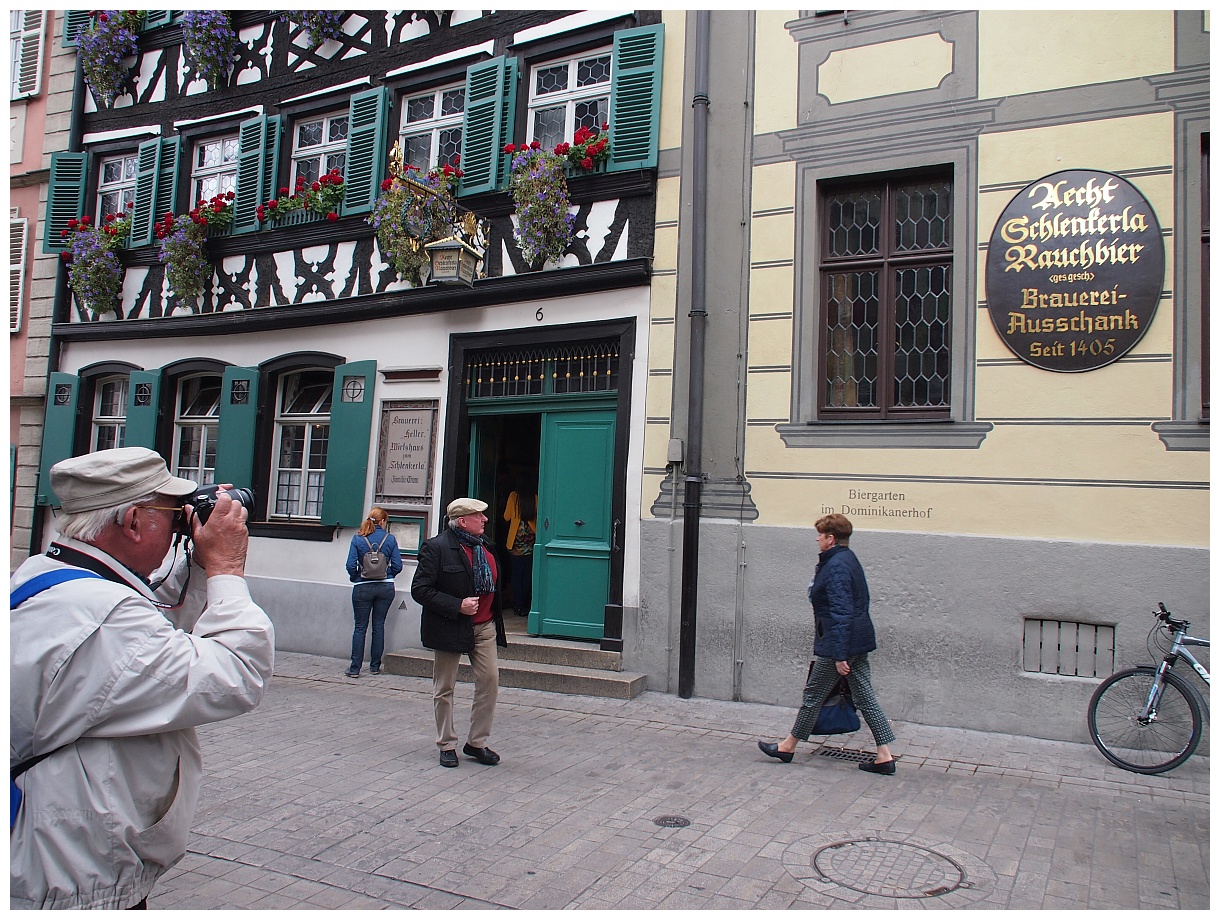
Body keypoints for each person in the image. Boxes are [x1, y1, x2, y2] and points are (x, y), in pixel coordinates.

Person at [9, 447, 275, 910]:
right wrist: (226, 568)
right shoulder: (103, 621)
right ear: (133, 522)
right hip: (77, 884)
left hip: (50, 860)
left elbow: (155, 628)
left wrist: (194, 561)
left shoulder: (48, 577)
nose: (180, 522)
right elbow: (237, 672)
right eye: (173, 514)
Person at [758, 513, 897, 774]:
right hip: (856, 639)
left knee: (813, 695)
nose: (817, 539)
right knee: (865, 696)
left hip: (840, 642)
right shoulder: (846, 559)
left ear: (830, 539)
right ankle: (884, 756)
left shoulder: (836, 566)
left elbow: (841, 611)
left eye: (820, 536)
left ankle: (788, 746)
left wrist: (840, 654)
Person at [411, 497, 507, 768]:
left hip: (484, 626)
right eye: (479, 516)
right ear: (463, 521)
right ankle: (447, 743)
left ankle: (477, 742)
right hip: (450, 625)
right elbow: (421, 589)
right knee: (444, 686)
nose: (485, 520)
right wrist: (457, 605)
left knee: (489, 681)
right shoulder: (437, 547)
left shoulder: (486, 546)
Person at [344, 507, 403, 677]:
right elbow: (398, 565)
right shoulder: (390, 539)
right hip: (385, 587)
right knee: (379, 625)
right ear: (383, 522)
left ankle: (355, 668)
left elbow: (350, 565)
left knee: (360, 627)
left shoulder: (358, 539)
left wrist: (357, 576)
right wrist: (388, 574)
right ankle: (375, 666)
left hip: (362, 586)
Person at [502, 481, 537, 616]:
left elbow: (507, 516)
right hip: (531, 539)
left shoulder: (513, 496)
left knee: (517, 575)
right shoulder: (535, 497)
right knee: (528, 575)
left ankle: (518, 605)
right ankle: (528, 605)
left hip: (516, 541)